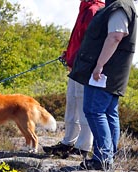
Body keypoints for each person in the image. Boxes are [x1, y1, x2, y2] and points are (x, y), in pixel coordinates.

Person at [69, 0, 137, 170]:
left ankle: (102, 158)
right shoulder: (122, 5)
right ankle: (107, 157)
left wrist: (99, 65)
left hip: (106, 71)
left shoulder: (120, 5)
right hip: (113, 72)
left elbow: (115, 36)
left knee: (94, 111)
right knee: (108, 112)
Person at [43, 0, 105, 158]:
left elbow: (91, 41)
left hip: (85, 67)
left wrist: (81, 60)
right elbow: (78, 39)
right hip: (76, 65)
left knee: (83, 105)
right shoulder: (85, 7)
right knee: (72, 103)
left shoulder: (94, 9)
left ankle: (83, 147)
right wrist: (69, 54)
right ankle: (68, 142)